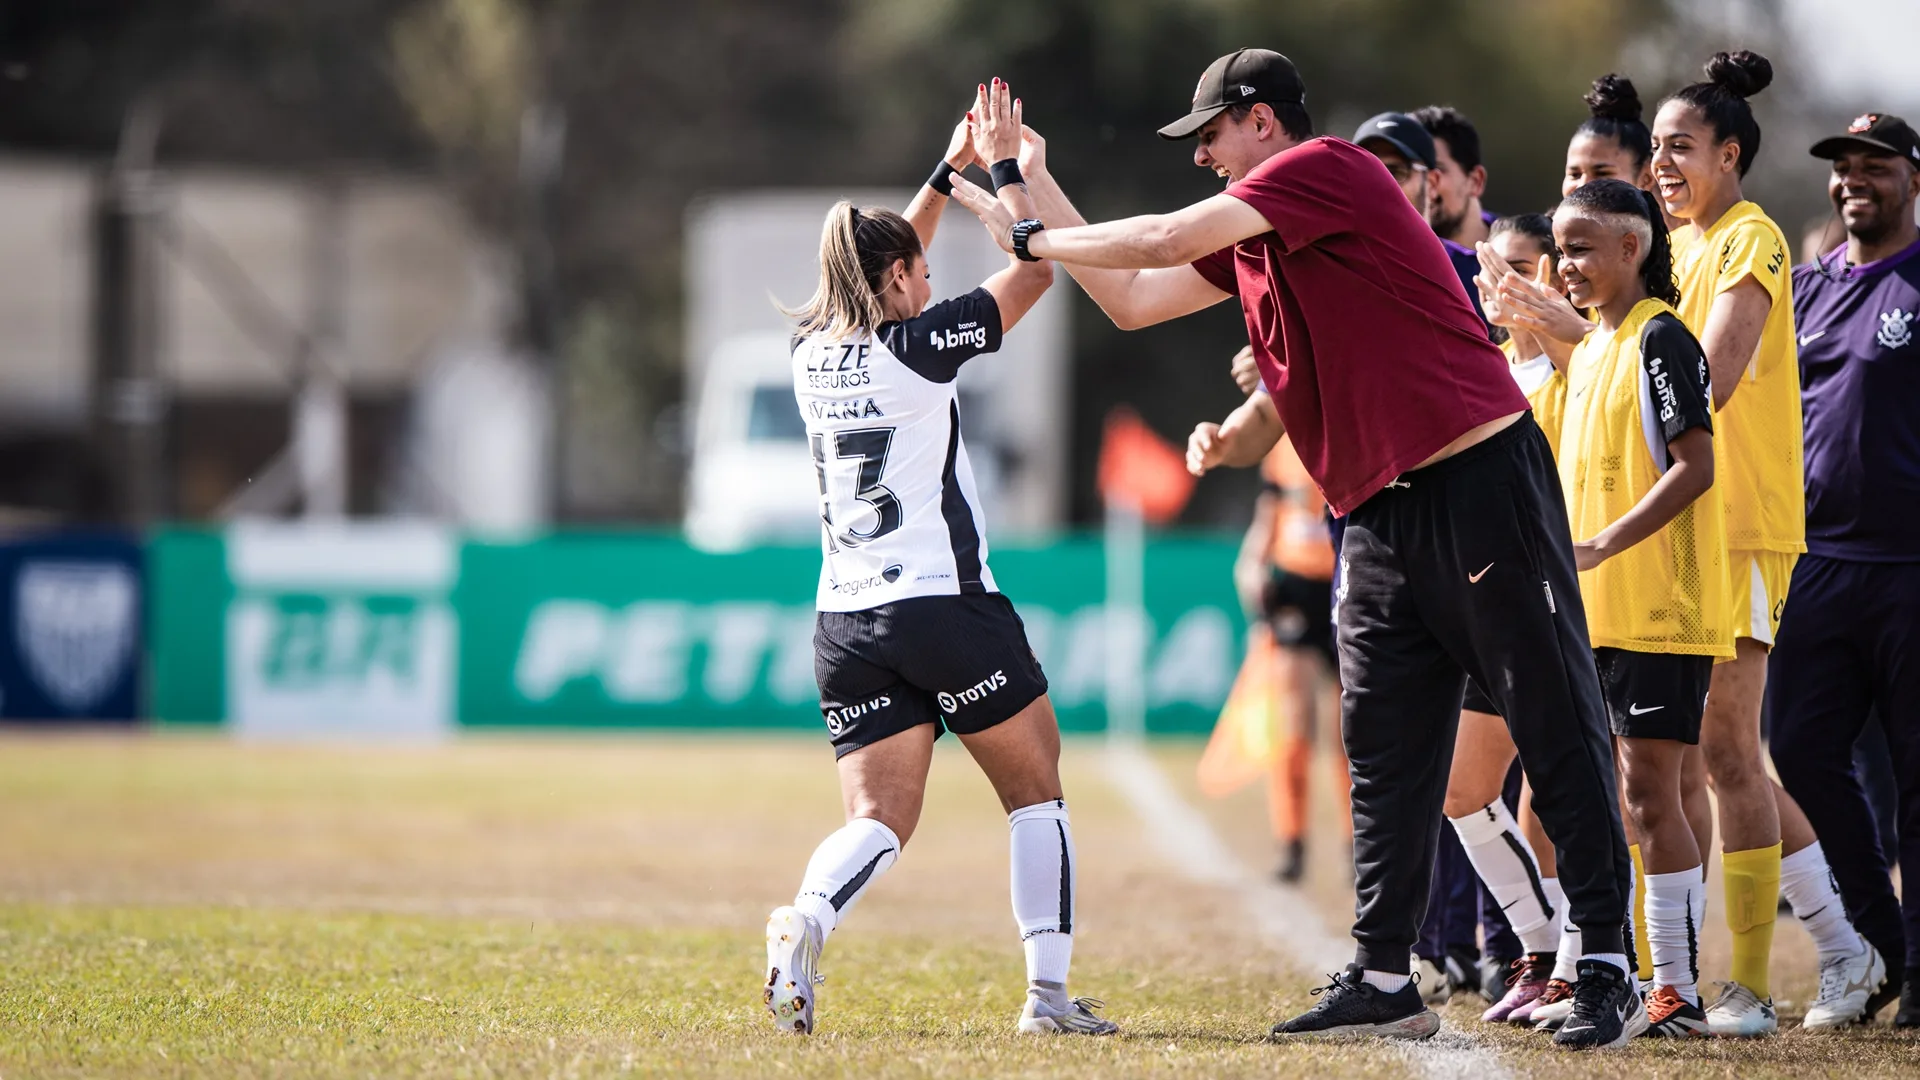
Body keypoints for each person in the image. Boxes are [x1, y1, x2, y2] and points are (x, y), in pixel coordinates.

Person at [947, 48, 1639, 1049]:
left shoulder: (1326, 170)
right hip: (1380, 508)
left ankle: (1606, 962)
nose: (1203, 159)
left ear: (1261, 122)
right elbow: (1136, 297)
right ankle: (1383, 976)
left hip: (1477, 477)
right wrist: (1031, 180)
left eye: (1211, 135)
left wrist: (1026, 227)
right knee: (1388, 748)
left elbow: (1171, 232)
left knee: (1554, 713)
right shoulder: (1263, 226)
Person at [763, 83, 1116, 1038]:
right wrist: (1000, 170)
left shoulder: (804, 353)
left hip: (845, 622)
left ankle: (805, 918)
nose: (927, 282)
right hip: (943, 609)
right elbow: (1038, 275)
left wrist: (937, 172)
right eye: (915, 274)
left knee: (878, 821)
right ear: (893, 285)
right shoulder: (918, 348)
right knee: (1034, 788)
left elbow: (875, 264)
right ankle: (1047, 998)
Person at [1651, 50, 1858, 1037]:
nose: (1663, 164)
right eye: (1655, 148)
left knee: (1728, 751)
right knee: (1686, 759)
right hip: (1678, 530)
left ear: (1730, 154)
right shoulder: (1674, 245)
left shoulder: (1750, 239)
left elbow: (1715, 378)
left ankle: (1744, 987)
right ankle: (1843, 952)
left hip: (1739, 527)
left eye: (1681, 147)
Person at [1554, 179, 1730, 1038]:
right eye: (1561, 248)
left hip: (1662, 606)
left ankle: (1678, 992)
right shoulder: (1591, 347)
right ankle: (1620, 976)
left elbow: (1695, 467)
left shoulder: (1662, 337)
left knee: (1653, 797)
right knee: (1619, 801)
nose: (1567, 265)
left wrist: (1602, 545)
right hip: (1597, 612)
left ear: (1633, 248)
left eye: (1583, 246)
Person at [1353, 111, 1522, 1007]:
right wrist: (1233, 434)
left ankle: (1554, 950)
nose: (1391, 181)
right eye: (1369, 164)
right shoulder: (1336, 264)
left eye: (1409, 167)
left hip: (1491, 536)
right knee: (1413, 759)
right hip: (1386, 541)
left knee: (1529, 758)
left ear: (1446, 182)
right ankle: (1428, 950)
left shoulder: (1482, 269)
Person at [1770, 110, 1920, 1029]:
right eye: (1843, 166)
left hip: (1910, 570)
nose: (1853, 178)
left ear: (1913, 179)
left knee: (1915, 776)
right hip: (1819, 565)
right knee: (1800, 749)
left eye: (1877, 165)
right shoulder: (1808, 285)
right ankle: (1883, 939)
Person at [1228, 345, 1347, 884]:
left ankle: (1355, 846)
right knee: (1294, 722)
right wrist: (1252, 564)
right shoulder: (1280, 443)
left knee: (1349, 732)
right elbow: (1269, 514)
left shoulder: (1352, 427)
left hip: (1349, 583)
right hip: (1296, 586)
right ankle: (1292, 842)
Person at [1412, 105, 1493, 248]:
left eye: (1434, 170)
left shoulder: (1530, 252)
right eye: (1407, 172)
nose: (1419, 184)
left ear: (1475, 181)